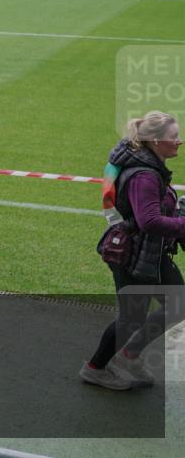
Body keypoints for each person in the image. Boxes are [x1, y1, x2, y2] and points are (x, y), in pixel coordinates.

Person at [81, 111, 185, 390]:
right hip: (135, 255)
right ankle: (95, 369)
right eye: (174, 137)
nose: (179, 142)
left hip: (150, 252)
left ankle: (129, 355)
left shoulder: (148, 163)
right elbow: (148, 221)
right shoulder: (145, 175)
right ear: (155, 140)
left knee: (179, 303)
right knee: (132, 316)